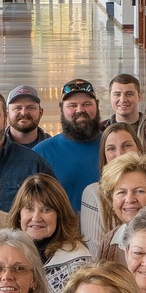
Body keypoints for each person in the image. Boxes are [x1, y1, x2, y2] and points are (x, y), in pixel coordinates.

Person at [9, 172, 95, 293]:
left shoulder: (79, 261)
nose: (36, 218)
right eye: (29, 208)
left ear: (60, 216)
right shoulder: (6, 251)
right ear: (19, 215)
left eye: (46, 210)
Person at [88, 151, 146, 254]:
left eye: (139, 191)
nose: (130, 199)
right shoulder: (110, 241)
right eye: (122, 192)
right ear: (111, 198)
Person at [35, 78, 105, 210]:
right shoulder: (42, 153)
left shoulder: (113, 146)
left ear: (97, 106)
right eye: (72, 105)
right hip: (63, 229)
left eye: (87, 104)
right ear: (62, 109)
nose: (80, 110)